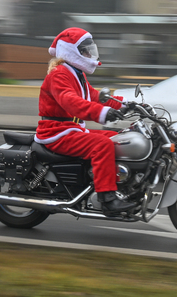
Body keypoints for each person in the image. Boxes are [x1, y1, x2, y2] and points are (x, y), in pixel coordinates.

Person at [34, 27, 136, 215]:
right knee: (103, 145)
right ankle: (107, 199)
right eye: (84, 50)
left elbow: (95, 96)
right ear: (70, 51)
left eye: (90, 49)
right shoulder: (59, 74)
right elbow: (70, 101)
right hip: (57, 132)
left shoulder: (76, 73)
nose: (89, 54)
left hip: (73, 129)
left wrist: (126, 104)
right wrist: (103, 113)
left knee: (120, 139)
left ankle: (120, 185)